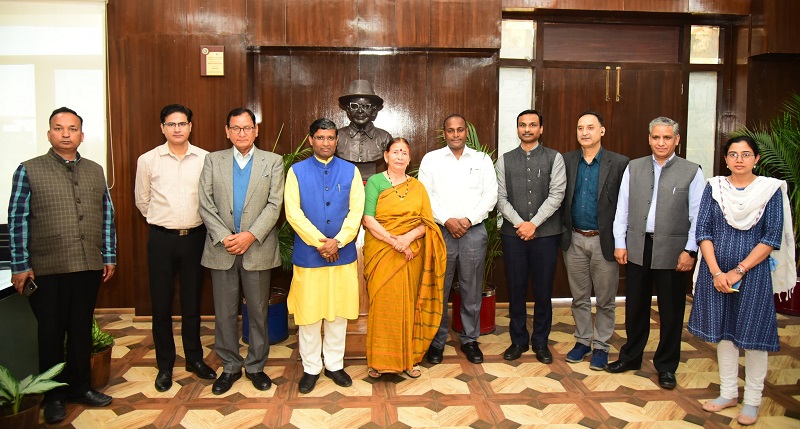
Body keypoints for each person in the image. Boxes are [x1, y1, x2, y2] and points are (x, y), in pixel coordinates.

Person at [8, 107, 116, 424]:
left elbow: (107, 216)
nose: (66, 134)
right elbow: (17, 220)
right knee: (51, 333)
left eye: (72, 128)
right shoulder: (28, 170)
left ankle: (81, 388)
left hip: (88, 265)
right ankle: (53, 395)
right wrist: (20, 264)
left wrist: (109, 256)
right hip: (48, 268)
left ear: (82, 135)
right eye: (59, 128)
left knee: (81, 330)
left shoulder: (95, 169)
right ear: (49, 134)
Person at [688, 135, 795, 426]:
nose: (739, 159)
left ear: (756, 159)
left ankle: (752, 401)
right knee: (724, 333)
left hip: (753, 274)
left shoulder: (770, 190)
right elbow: (703, 231)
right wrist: (716, 272)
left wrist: (739, 270)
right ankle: (728, 393)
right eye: (733, 154)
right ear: (725, 159)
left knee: (754, 336)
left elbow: (771, 237)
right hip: (716, 273)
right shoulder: (714, 187)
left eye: (746, 154)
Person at [607, 116, 704, 390]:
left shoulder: (692, 171)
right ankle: (631, 357)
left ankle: (666, 366)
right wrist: (620, 242)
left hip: (673, 251)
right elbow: (622, 207)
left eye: (667, 137)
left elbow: (698, 216)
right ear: (649, 139)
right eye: (656, 137)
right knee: (635, 307)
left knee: (671, 311)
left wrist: (690, 250)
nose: (661, 142)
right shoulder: (634, 167)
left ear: (677, 140)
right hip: (638, 246)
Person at [198, 107, 284, 395]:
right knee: (224, 313)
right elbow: (205, 204)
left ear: (256, 131)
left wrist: (250, 236)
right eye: (236, 128)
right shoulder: (213, 160)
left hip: (257, 247)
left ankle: (256, 366)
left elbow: (274, 205)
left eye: (247, 128)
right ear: (227, 132)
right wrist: (225, 237)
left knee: (258, 312)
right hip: (222, 249)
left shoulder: (273, 161)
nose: (242, 133)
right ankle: (230, 366)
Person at [134, 104, 215, 392]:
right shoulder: (148, 160)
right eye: (171, 124)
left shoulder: (205, 158)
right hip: (161, 240)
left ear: (190, 127)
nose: (177, 129)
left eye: (182, 124)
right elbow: (142, 200)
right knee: (161, 304)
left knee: (192, 303)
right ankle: (165, 365)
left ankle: (194, 358)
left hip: (195, 237)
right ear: (163, 128)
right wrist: (164, 221)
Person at [285, 118, 365, 393]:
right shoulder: (296, 172)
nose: (326, 142)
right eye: (320, 137)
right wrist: (321, 243)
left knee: (338, 314)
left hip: (342, 255)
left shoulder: (351, 171)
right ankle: (310, 368)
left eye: (330, 137)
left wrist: (338, 242)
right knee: (309, 315)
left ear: (337, 140)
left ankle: (334, 365)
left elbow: (356, 211)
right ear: (311, 140)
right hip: (309, 256)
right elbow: (293, 213)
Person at [362, 138, 447, 378]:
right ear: (386, 156)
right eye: (395, 152)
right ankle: (378, 362)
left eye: (404, 153)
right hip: (381, 249)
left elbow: (426, 223)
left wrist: (407, 238)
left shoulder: (418, 187)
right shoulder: (375, 182)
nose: (399, 156)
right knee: (382, 306)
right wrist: (395, 242)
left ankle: (409, 361)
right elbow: (368, 219)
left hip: (411, 253)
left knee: (409, 305)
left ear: (409, 159)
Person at [418, 114, 498, 365]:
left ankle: (470, 339)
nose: (455, 134)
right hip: (441, 231)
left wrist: (468, 220)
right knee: (439, 289)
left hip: (473, 231)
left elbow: (491, 195)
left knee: (471, 288)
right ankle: (437, 341)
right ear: (444, 134)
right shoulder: (431, 160)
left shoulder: (482, 160)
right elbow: (425, 196)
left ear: (466, 132)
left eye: (460, 129)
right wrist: (447, 220)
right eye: (450, 130)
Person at [496, 109, 566, 363]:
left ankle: (540, 342)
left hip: (546, 236)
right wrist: (521, 224)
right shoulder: (504, 160)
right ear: (517, 129)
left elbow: (557, 195)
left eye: (532, 125)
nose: (527, 129)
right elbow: (500, 197)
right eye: (523, 125)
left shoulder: (554, 158)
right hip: (513, 235)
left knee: (543, 290)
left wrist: (533, 224)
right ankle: (518, 341)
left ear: (541, 129)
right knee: (515, 289)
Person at [560, 111, 629, 370]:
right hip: (574, 239)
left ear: (602, 131)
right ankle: (582, 341)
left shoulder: (620, 163)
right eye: (580, 128)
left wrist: (622, 241)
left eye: (590, 127)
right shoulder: (566, 160)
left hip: (605, 241)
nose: (585, 132)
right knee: (578, 297)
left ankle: (601, 345)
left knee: (605, 299)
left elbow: (626, 205)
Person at [335, 79, 393, 179]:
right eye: (354, 106)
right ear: (348, 110)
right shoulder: (337, 136)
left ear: (374, 111)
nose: (360, 111)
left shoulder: (385, 137)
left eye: (366, 106)